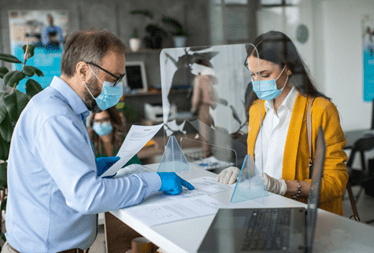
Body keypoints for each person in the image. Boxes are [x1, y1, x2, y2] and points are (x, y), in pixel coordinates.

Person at [4, 28, 194, 253]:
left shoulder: (58, 108)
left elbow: (54, 176)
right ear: (83, 70)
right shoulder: (56, 117)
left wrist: (91, 167)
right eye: (113, 79)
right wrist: (155, 182)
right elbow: (87, 197)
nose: (118, 88)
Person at [216, 31, 348, 216]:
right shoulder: (256, 110)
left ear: (288, 68)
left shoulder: (320, 111)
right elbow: (260, 168)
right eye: (253, 75)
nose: (257, 82)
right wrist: (240, 173)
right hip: (262, 214)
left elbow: (336, 182)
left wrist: (284, 186)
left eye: (264, 74)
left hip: (305, 221)